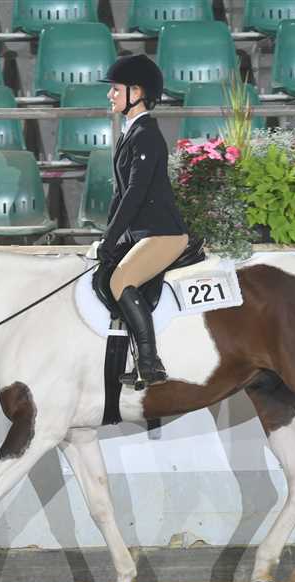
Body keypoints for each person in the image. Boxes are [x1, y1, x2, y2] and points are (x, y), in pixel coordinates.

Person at [98, 54, 189, 388]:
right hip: (144, 233)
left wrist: (112, 239)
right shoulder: (131, 133)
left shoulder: (146, 134)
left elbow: (136, 193)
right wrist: (107, 236)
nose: (110, 94)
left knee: (120, 281)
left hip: (163, 233)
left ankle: (150, 364)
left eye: (116, 89)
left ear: (136, 92)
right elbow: (120, 194)